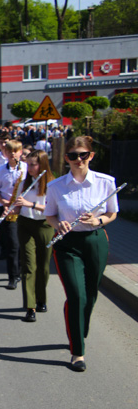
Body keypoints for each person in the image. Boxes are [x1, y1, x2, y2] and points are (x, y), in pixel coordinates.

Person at [45, 136, 119, 372]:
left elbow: (112, 213)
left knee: (90, 295)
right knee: (76, 295)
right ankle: (78, 351)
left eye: (83, 155)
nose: (78, 160)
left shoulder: (105, 182)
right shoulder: (56, 186)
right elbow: (50, 215)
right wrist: (59, 225)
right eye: (73, 155)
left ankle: (79, 330)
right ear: (66, 158)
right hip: (67, 243)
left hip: (95, 240)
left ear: (91, 156)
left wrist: (98, 220)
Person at [12, 150, 54, 323]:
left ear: (42, 164)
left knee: (44, 266)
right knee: (29, 266)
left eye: (33, 164)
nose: (29, 168)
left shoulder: (52, 184)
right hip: (25, 224)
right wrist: (13, 209)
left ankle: (41, 298)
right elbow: (17, 205)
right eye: (28, 164)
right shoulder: (23, 182)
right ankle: (30, 307)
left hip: (45, 225)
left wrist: (31, 204)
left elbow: (52, 209)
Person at [0, 140, 27, 290]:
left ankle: (20, 270)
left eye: (16, 151)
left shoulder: (26, 168)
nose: (13, 154)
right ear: (5, 153)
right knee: (12, 243)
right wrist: (5, 202)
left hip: (24, 208)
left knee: (22, 243)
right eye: (10, 151)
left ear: (21, 152)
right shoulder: (0, 171)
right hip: (7, 208)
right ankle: (12, 276)